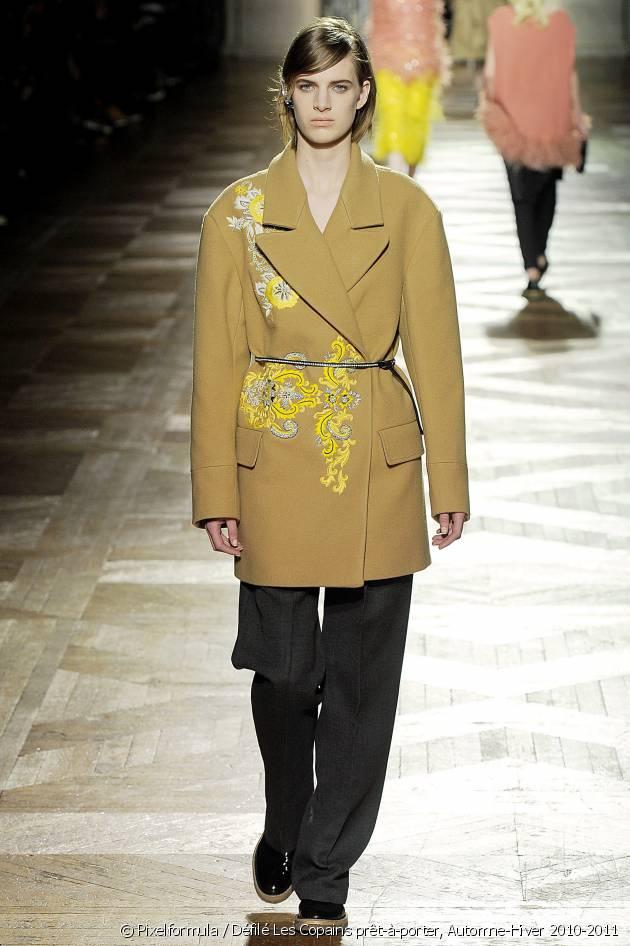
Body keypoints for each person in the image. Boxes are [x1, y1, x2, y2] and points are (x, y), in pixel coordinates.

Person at [190, 15, 470, 934]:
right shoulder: (235, 214)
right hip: (273, 454)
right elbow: (215, 361)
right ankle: (287, 813)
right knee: (283, 671)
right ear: (287, 95)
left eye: (338, 86)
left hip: (375, 459)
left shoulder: (408, 211)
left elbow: (437, 353)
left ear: (362, 97)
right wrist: (214, 490)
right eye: (307, 86)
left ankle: (326, 865)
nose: (322, 103)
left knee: (359, 685)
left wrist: (448, 482)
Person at [477, 0, 590, 295]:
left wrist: (489, 103)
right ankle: (539, 251)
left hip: (513, 119)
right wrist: (577, 116)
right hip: (552, 117)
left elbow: (491, 73)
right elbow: (570, 73)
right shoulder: (561, 22)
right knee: (547, 189)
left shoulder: (501, 20)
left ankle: (531, 266)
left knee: (522, 198)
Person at [364, 0, 452, 176]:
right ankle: (398, 177)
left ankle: (409, 178)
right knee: (393, 115)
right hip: (388, 58)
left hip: (424, 60)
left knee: (416, 118)